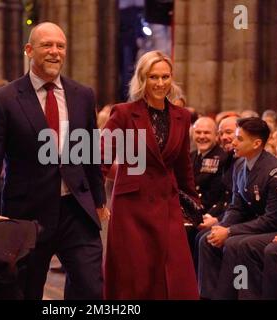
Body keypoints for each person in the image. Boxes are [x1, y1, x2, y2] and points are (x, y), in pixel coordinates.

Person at [0, 22, 108, 300]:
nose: (54, 52)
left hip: (76, 212)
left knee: (90, 289)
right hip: (27, 214)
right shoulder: (4, 99)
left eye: (60, 46)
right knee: (26, 291)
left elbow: (90, 150)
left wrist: (98, 199)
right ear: (29, 50)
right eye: (47, 45)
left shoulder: (82, 95)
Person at [101, 50, 199, 299]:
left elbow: (183, 164)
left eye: (165, 77)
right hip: (131, 208)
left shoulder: (182, 116)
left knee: (175, 276)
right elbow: (99, 158)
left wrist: (194, 203)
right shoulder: (123, 113)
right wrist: (96, 201)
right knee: (135, 279)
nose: (160, 83)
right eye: (153, 77)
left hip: (167, 205)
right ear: (142, 79)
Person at [197, 117, 277, 299]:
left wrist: (229, 231)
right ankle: (208, 296)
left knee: (238, 244)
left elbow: (272, 220)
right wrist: (222, 227)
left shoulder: (276, 173)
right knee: (207, 239)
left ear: (257, 143)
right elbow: (237, 207)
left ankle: (239, 296)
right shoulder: (240, 165)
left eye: (239, 139)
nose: (233, 142)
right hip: (253, 225)